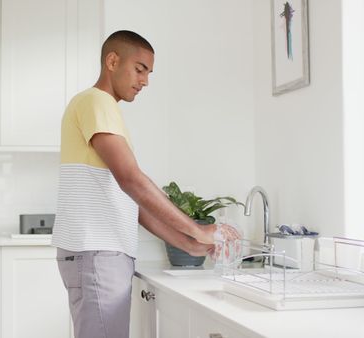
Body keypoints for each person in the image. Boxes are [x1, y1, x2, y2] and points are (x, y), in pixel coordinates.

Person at [52, 30, 240, 338]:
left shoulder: (102, 109)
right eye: (140, 69)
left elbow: (130, 201)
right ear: (112, 61)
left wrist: (191, 244)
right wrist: (197, 229)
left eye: (149, 73)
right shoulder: (96, 102)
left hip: (101, 253)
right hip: (98, 252)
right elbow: (133, 181)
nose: (145, 81)